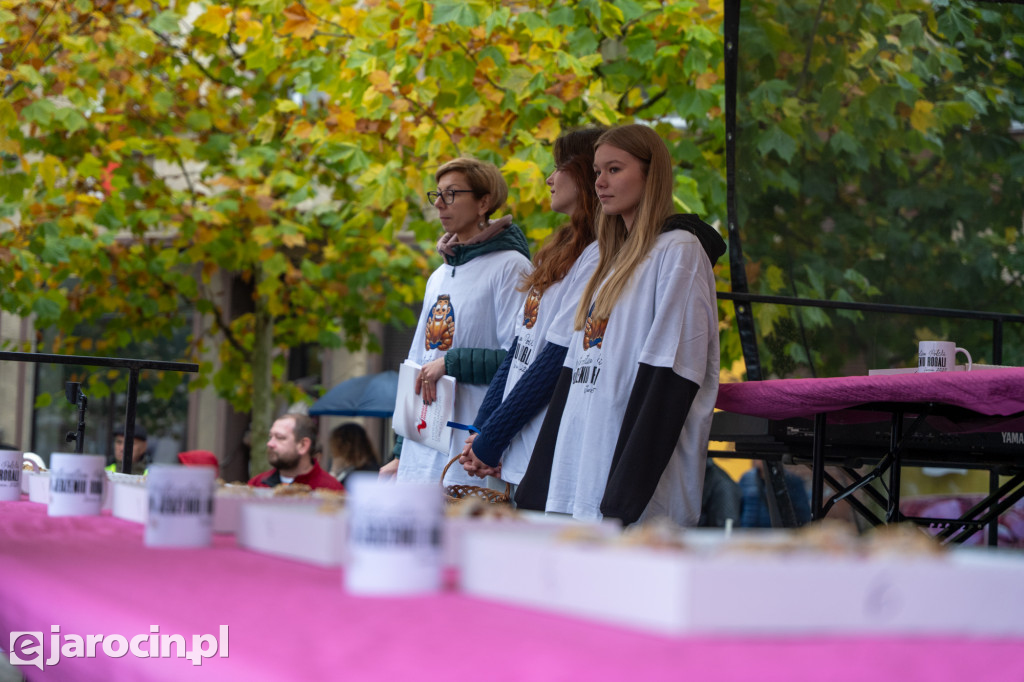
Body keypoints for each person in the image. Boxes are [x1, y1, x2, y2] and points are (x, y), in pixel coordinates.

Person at [516, 124, 726, 527]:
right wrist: (540, 484)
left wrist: (623, 499)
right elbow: (572, 376)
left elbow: (671, 374)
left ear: (651, 174)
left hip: (631, 497)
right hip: (577, 479)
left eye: (615, 169)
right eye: (597, 171)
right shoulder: (607, 262)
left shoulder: (679, 250)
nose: (600, 182)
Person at [454, 127, 606, 492]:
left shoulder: (599, 254)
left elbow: (554, 360)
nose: (550, 179)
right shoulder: (561, 246)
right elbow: (520, 351)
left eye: (559, 167)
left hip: (544, 452)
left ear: (584, 172)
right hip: (514, 450)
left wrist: (492, 438)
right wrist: (482, 428)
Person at [378, 157, 532, 486]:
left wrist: (452, 362)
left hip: (471, 450)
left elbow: (521, 359)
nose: (439, 204)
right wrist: (399, 453)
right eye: (437, 194)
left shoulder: (511, 267)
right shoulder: (438, 275)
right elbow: (419, 364)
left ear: (484, 202)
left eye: (451, 194)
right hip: (422, 450)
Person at [248, 413, 343, 490]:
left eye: (280, 437)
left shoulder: (331, 490)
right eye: (271, 437)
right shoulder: (257, 485)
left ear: (303, 445)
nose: (270, 444)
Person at [328, 423, 379, 488]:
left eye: (335, 447)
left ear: (345, 447)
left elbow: (332, 490)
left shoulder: (364, 473)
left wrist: (334, 470)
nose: (333, 453)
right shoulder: (351, 469)